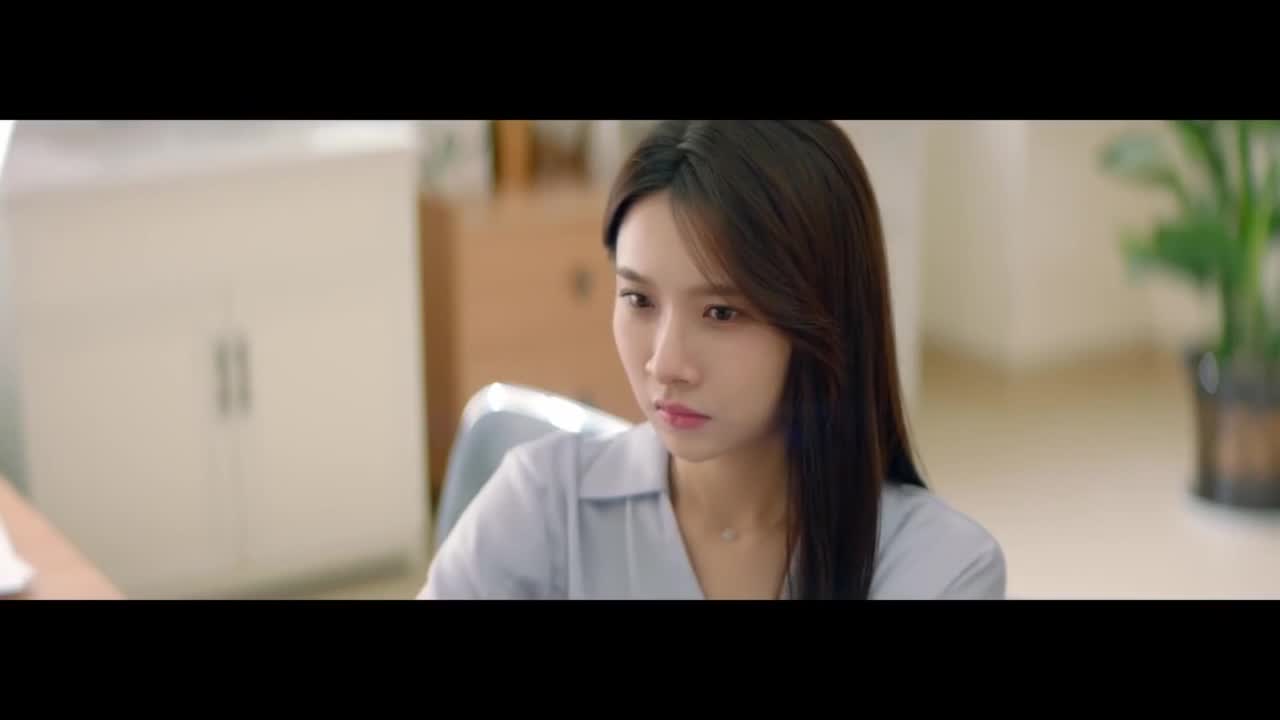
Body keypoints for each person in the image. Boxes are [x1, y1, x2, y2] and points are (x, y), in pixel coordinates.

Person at [418, 120, 1006, 600]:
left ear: (825, 317)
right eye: (638, 300)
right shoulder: (539, 504)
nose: (666, 363)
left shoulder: (941, 568)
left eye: (722, 313)